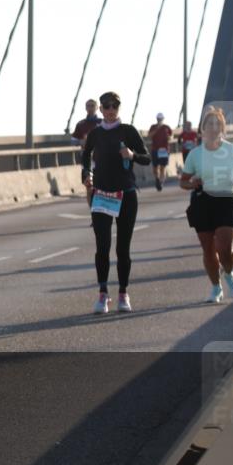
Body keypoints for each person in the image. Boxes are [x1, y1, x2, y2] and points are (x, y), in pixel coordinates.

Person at [81, 91, 151, 314]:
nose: (111, 110)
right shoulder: (95, 133)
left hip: (126, 194)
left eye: (115, 106)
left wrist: (131, 155)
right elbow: (85, 155)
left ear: (119, 109)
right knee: (102, 247)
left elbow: (146, 157)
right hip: (101, 194)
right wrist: (85, 173)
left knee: (123, 248)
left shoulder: (128, 131)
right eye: (107, 106)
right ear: (100, 109)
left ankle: (123, 293)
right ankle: (103, 294)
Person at [180, 108, 233, 302]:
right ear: (203, 128)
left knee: (225, 247)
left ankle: (228, 272)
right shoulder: (195, 154)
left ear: (222, 128)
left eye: (216, 124)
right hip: (202, 201)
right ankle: (216, 287)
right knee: (208, 249)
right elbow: (183, 181)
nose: (213, 127)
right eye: (209, 124)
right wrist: (192, 183)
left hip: (225, 199)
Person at [71, 99, 103, 207]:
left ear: (97, 107)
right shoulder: (81, 124)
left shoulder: (102, 123)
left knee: (100, 188)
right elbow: (73, 140)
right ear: (85, 108)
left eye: (92, 105)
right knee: (89, 188)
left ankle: (101, 212)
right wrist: (81, 141)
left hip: (101, 160)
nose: (90, 108)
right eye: (88, 106)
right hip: (86, 161)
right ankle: (93, 214)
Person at [147, 112, 173, 191]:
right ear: (156, 119)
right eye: (158, 119)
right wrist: (157, 129)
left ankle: (161, 182)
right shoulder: (153, 126)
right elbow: (149, 136)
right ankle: (157, 179)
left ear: (163, 119)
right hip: (155, 149)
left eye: (161, 119)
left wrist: (169, 137)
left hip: (164, 150)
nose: (159, 120)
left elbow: (171, 136)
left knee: (162, 167)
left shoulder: (167, 127)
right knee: (155, 167)